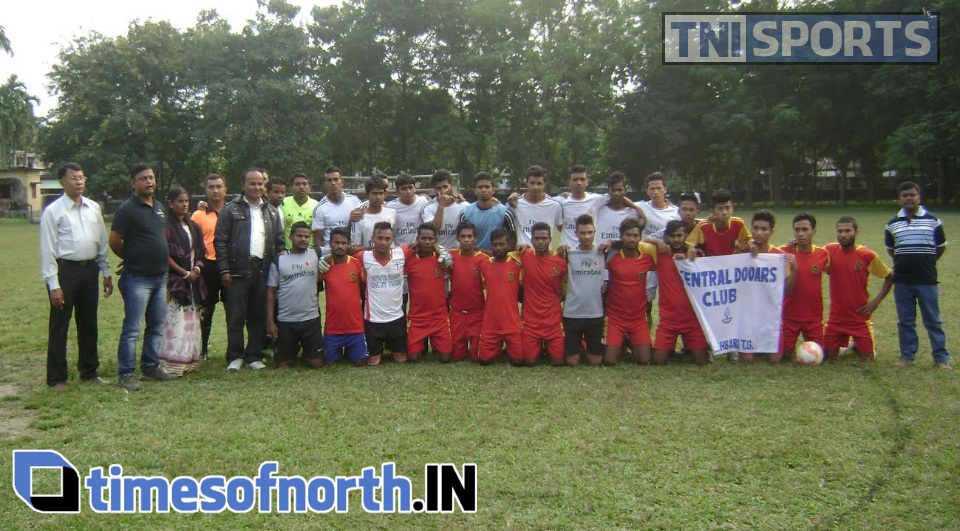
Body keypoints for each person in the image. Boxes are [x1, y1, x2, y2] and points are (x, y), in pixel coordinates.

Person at [40, 162, 114, 391]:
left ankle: (89, 371)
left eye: (82, 178)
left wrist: (106, 272)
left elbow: (101, 242)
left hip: (90, 269)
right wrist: (53, 284)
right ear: (62, 182)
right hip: (66, 272)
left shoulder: (93, 208)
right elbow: (48, 249)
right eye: (74, 178)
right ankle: (57, 377)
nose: (79, 182)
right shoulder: (54, 211)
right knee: (60, 325)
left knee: (88, 322)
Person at [109, 164, 178, 390]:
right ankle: (126, 374)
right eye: (143, 178)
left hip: (159, 277)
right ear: (133, 183)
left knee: (156, 325)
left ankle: (150, 367)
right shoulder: (127, 209)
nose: (149, 182)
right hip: (137, 278)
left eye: (151, 178)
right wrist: (130, 258)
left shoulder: (158, 207)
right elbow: (115, 241)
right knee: (132, 329)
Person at [215, 168, 285, 372]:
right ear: (243, 185)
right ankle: (235, 356)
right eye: (252, 183)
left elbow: (279, 242)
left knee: (258, 315)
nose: (256, 187)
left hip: (263, 270)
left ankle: (254, 355)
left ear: (264, 185)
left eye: (260, 184)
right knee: (235, 315)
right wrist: (224, 270)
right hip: (237, 270)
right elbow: (220, 242)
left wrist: (277, 271)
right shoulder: (231, 210)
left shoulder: (272, 211)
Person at [884, 181, 951, 368]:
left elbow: (940, 247)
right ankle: (907, 356)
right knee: (905, 321)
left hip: (927, 280)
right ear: (899, 199)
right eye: (904, 196)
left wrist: (927, 261)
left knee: (933, 320)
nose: (908, 198)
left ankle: (941, 358)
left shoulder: (932, 221)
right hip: (903, 281)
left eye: (912, 195)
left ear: (919, 197)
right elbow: (891, 250)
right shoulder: (892, 225)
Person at [822, 216, 894, 362]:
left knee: (868, 359)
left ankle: (855, 343)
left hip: (859, 317)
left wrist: (875, 302)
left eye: (848, 231)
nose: (843, 235)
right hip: (836, 318)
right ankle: (849, 343)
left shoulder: (867, 255)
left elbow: (889, 276)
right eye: (840, 231)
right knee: (829, 357)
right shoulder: (829, 250)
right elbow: (813, 257)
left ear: (856, 232)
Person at [266, 222, 328, 368]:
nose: (303, 239)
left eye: (307, 236)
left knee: (317, 363)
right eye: (299, 236)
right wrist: (270, 321)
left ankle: (309, 351)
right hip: (286, 320)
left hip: (310, 319)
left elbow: (341, 248)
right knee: (283, 365)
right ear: (291, 236)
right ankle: (292, 349)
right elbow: (271, 291)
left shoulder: (316, 253)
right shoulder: (279, 259)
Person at [159, 187, 207, 376]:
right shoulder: (166, 226)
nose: (184, 204)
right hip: (175, 281)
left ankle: (189, 361)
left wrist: (195, 270)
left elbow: (201, 252)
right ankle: (171, 364)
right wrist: (184, 273)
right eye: (180, 201)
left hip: (193, 280)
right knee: (174, 320)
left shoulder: (193, 226)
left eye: (186, 201)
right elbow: (164, 254)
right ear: (170, 203)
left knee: (191, 320)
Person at [739, 209, 795, 364]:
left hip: (771, 316)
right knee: (747, 360)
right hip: (748, 315)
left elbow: (788, 290)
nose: (758, 233)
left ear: (771, 232)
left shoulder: (778, 257)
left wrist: (794, 269)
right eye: (755, 228)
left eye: (764, 229)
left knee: (775, 359)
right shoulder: (742, 253)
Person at [652, 220, 708, 366]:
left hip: (692, 319)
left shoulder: (696, 256)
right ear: (666, 237)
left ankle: (690, 349)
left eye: (680, 235)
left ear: (686, 236)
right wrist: (657, 241)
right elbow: (640, 241)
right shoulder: (660, 253)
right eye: (672, 236)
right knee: (658, 361)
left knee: (701, 361)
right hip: (668, 320)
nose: (676, 240)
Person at [603, 217, 657, 365]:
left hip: (638, 318)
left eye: (635, 235)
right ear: (621, 237)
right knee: (609, 361)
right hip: (616, 318)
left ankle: (630, 341)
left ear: (640, 237)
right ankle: (620, 342)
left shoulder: (647, 258)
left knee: (645, 360)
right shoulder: (612, 258)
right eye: (628, 235)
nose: (632, 239)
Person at [779, 213, 829, 359]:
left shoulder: (823, 254)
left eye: (805, 229)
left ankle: (850, 344)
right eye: (797, 229)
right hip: (789, 315)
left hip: (813, 316)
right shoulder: (784, 252)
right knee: (785, 356)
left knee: (820, 355)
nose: (800, 234)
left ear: (813, 231)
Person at [358, 221, 408, 365]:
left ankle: (395, 346)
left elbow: (422, 245)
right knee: (373, 361)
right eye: (379, 238)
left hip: (396, 318)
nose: (383, 242)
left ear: (393, 240)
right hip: (373, 320)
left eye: (387, 239)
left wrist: (440, 250)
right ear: (373, 239)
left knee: (401, 359)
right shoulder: (364, 256)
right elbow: (345, 251)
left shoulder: (402, 253)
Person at [518, 222, 567, 366]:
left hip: (552, 319)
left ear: (550, 239)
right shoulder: (524, 255)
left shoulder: (561, 261)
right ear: (531, 240)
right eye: (536, 238)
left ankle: (548, 345)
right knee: (530, 362)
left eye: (544, 238)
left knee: (558, 362)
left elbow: (566, 288)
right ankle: (538, 346)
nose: (540, 242)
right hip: (531, 320)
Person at [404, 223, 454, 362]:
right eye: (423, 238)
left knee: (446, 358)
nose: (426, 242)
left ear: (435, 240)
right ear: (417, 239)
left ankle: (435, 343)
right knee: (413, 358)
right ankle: (421, 345)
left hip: (439, 316)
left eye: (430, 239)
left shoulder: (443, 259)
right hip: (418, 317)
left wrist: (443, 252)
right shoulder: (409, 259)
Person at [320, 227, 368, 366]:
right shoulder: (325, 265)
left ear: (348, 244)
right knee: (329, 362)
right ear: (330, 244)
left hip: (355, 326)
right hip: (333, 327)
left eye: (343, 243)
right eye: (336, 242)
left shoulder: (356, 263)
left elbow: (366, 287)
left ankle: (351, 348)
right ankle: (333, 346)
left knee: (360, 362)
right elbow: (315, 282)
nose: (340, 246)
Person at [192, 174, 227, 360]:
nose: (215, 190)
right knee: (206, 308)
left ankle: (234, 350)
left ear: (225, 189)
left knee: (233, 308)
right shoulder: (198, 215)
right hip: (207, 266)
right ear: (206, 191)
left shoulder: (232, 211)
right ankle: (202, 349)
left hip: (228, 265)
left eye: (219, 186)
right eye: (211, 187)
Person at [562, 214, 606, 367]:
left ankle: (586, 344)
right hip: (572, 313)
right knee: (572, 363)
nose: (587, 237)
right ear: (576, 234)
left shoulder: (603, 252)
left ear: (595, 232)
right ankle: (577, 344)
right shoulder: (568, 254)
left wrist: (611, 241)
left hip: (595, 313)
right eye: (582, 233)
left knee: (596, 362)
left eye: (590, 232)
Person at [478, 228, 524, 365]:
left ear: (509, 245)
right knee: (484, 361)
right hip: (491, 324)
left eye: (501, 244)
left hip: (512, 323)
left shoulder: (517, 263)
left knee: (518, 362)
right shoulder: (485, 264)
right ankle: (496, 348)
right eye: (495, 244)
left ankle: (507, 347)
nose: (498, 248)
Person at [448, 222, 489, 362]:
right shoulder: (451, 255)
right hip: (457, 313)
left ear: (475, 238)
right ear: (458, 238)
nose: (466, 240)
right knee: (456, 356)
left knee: (477, 356)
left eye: (469, 236)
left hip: (476, 313)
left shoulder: (483, 259)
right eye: (463, 236)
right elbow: (435, 250)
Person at [460, 172, 516, 252]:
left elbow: (513, 240)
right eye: (480, 187)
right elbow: (462, 239)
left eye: (487, 187)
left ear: (493, 189)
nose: (483, 190)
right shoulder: (466, 213)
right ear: (475, 191)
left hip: (497, 259)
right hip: (475, 259)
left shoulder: (505, 213)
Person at [685, 189, 751, 258]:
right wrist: (691, 248)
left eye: (727, 208)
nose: (725, 212)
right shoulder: (703, 226)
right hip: (709, 262)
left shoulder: (738, 223)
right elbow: (689, 242)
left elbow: (748, 239)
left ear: (732, 209)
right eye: (720, 209)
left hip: (730, 261)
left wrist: (748, 244)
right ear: (712, 211)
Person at [312, 166, 362, 255]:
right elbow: (318, 242)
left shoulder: (355, 201)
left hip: (353, 253)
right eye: (329, 180)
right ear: (324, 184)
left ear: (342, 182)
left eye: (336, 179)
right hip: (331, 255)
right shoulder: (320, 208)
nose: (333, 183)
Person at [512, 165, 563, 247]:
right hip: (523, 255)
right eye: (532, 183)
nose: (535, 187)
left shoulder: (554, 206)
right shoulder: (515, 203)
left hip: (545, 256)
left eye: (539, 183)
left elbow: (563, 230)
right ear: (526, 183)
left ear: (544, 184)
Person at [420, 169, 465, 249]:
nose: (443, 191)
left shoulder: (463, 205)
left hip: (457, 252)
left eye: (445, 187)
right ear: (434, 189)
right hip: (436, 252)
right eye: (439, 188)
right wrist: (441, 205)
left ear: (451, 185)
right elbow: (434, 230)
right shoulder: (427, 208)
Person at [350, 176, 397, 252]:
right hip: (369, 260)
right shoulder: (359, 217)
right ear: (367, 195)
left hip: (390, 260)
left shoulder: (392, 212)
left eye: (380, 193)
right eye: (374, 193)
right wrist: (376, 248)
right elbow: (354, 248)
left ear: (385, 194)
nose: (378, 197)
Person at [596, 172, 643, 246]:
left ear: (625, 190)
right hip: (600, 255)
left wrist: (638, 209)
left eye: (619, 190)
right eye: (613, 190)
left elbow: (642, 223)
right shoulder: (599, 210)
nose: (616, 193)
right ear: (608, 190)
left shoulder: (633, 213)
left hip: (623, 256)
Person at [387, 173, 429, 247]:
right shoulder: (390, 206)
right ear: (397, 191)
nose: (408, 191)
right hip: (400, 250)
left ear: (415, 188)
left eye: (410, 187)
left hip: (419, 249)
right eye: (404, 188)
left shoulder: (423, 202)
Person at [280, 173, 318, 249]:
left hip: (309, 252)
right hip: (288, 252)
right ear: (291, 188)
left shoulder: (316, 206)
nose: (301, 187)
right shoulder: (282, 204)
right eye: (297, 184)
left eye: (304, 184)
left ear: (309, 188)